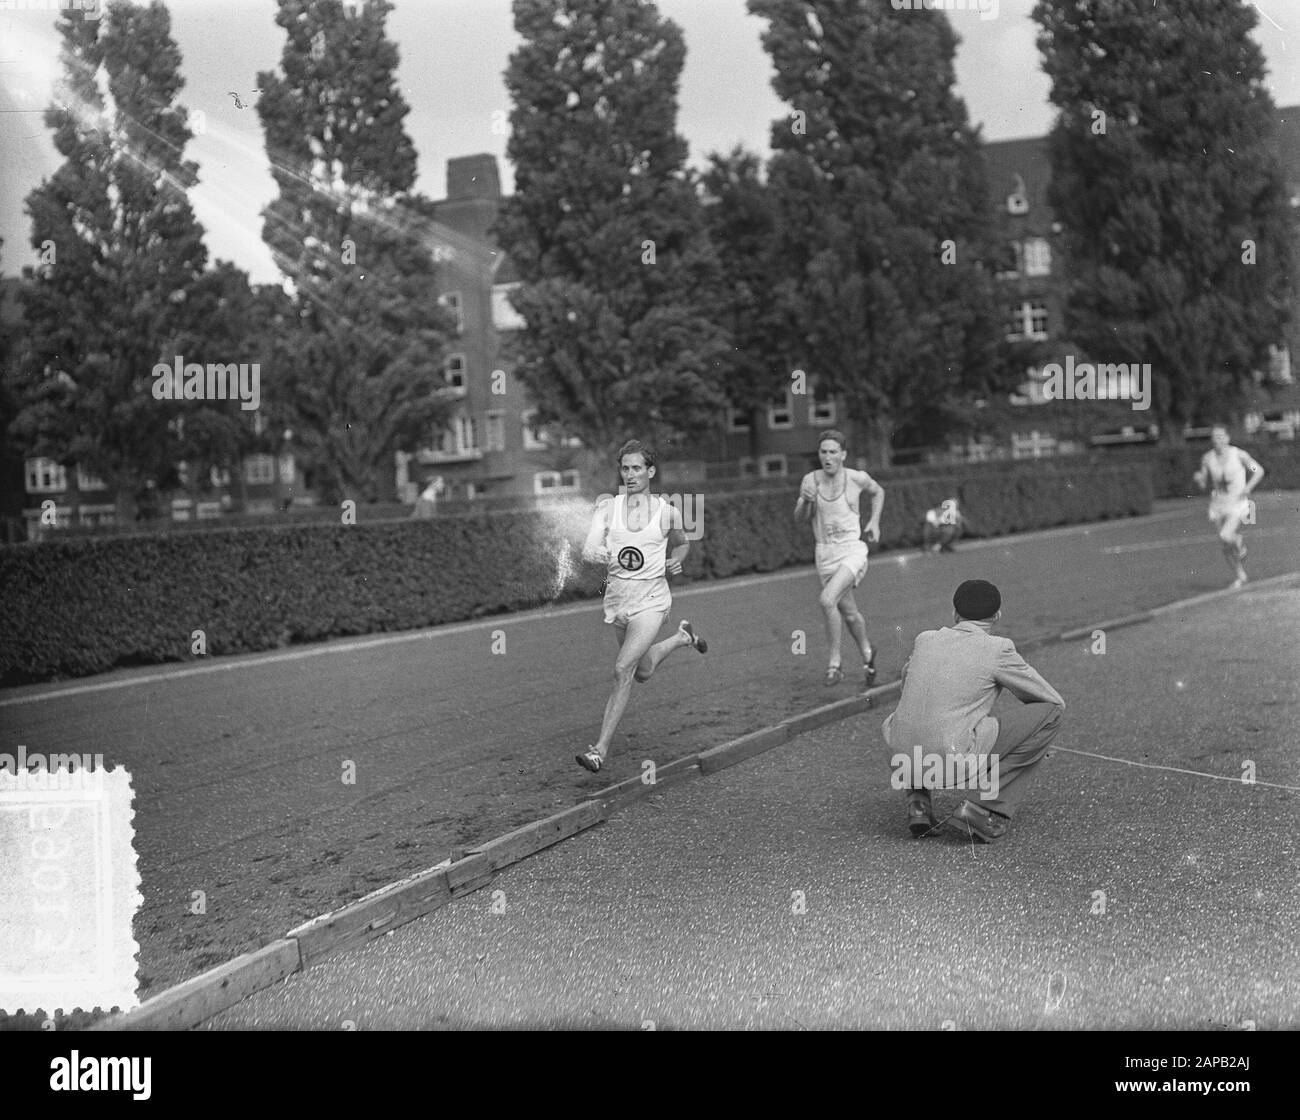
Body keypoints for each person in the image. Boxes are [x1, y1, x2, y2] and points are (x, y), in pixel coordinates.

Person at [882, 580, 1065, 843]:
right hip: (951, 757)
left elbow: (907, 686)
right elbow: (1052, 701)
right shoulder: (998, 649)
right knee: (1052, 715)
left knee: (918, 714)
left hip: (901, 758)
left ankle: (918, 804)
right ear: (997, 615)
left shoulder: (925, 639)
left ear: (954, 613)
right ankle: (981, 808)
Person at [575, 440, 707, 773]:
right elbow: (589, 547)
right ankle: (682, 638)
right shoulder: (608, 509)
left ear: (650, 471)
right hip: (618, 601)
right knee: (642, 671)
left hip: (652, 601)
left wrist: (675, 561)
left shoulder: (666, 512)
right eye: (625, 468)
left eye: (637, 468)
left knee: (622, 669)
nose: (630, 474)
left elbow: (682, 544)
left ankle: (599, 750)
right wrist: (599, 553)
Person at [793, 430, 883, 688]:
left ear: (843, 454)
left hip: (852, 550)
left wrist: (874, 521)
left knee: (826, 599)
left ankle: (835, 664)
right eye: (823, 452)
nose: (828, 457)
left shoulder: (857, 478)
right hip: (825, 554)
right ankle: (867, 653)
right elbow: (800, 518)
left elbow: (879, 492)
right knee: (850, 614)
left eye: (833, 452)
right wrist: (804, 500)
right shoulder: (810, 480)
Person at [1193, 424, 1264, 589]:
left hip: (1237, 504)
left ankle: (1239, 542)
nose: (1216, 440)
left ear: (1227, 438)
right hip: (1218, 505)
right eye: (1214, 437)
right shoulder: (1207, 458)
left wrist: (1248, 488)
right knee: (1225, 545)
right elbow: (1203, 482)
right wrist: (1199, 479)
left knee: (1227, 535)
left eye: (1220, 436)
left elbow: (1258, 470)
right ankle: (1240, 575)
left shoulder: (1239, 455)